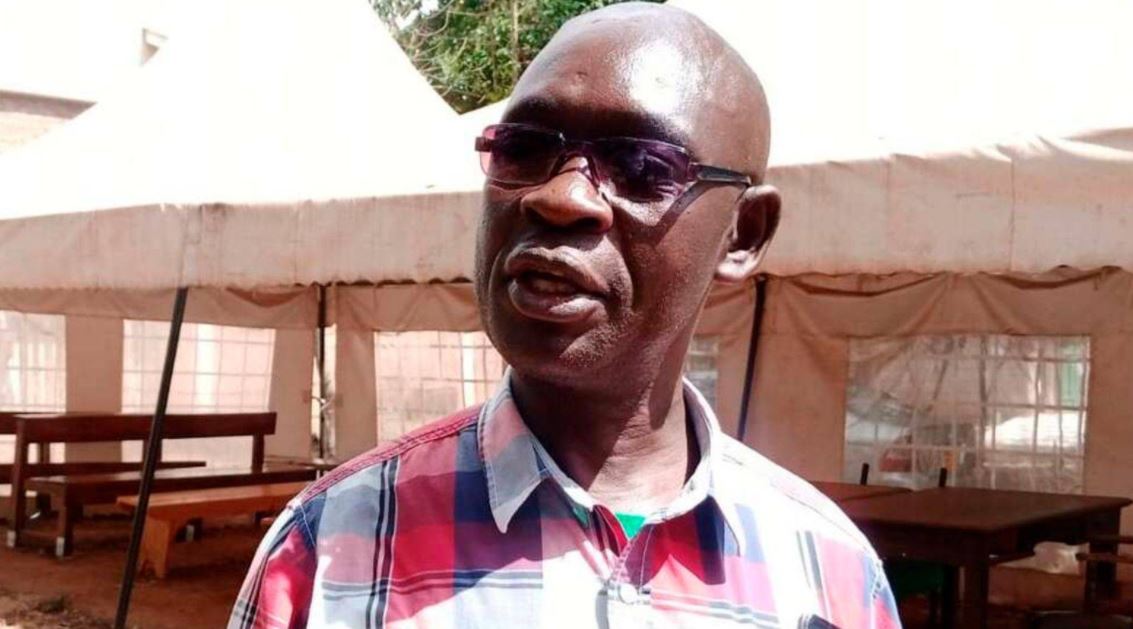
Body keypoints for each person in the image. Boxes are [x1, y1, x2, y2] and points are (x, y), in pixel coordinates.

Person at [230, 3, 899, 627]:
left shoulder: (827, 573)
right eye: (523, 149)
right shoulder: (331, 544)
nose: (560, 197)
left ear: (742, 234)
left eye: (642, 165)